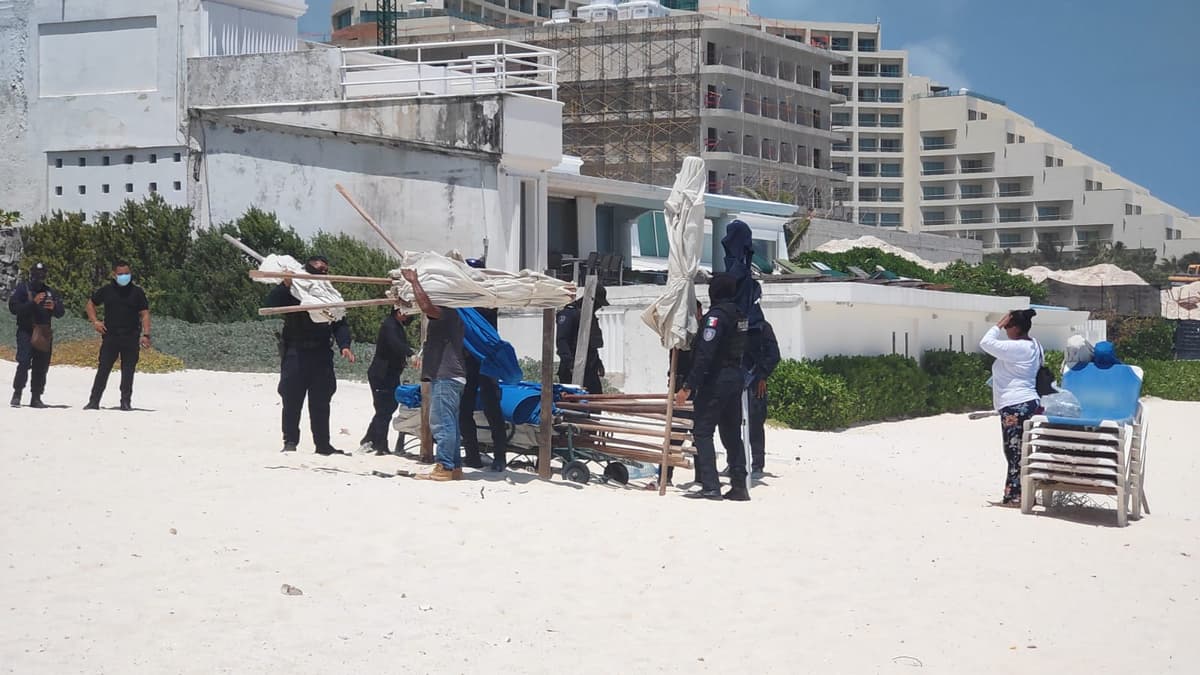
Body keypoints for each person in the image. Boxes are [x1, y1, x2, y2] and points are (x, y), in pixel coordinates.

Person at [266, 255, 355, 455]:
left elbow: (339, 322)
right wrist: (286, 285)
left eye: (325, 269)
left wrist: (345, 345)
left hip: (321, 352)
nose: (322, 271)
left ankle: (323, 445)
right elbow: (272, 303)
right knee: (291, 398)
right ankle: (290, 442)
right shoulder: (296, 288)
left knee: (321, 400)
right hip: (296, 352)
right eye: (318, 267)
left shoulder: (327, 292)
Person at [675, 274, 750, 502]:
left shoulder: (715, 318)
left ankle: (710, 486)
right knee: (732, 433)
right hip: (736, 377)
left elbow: (704, 356)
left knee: (702, 431)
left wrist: (688, 386)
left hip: (716, 380)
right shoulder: (740, 314)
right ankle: (739, 486)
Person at [403, 268, 467, 482]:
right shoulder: (453, 316)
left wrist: (414, 281)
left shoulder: (447, 313)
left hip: (447, 376)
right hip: (452, 376)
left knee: (441, 422)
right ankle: (454, 467)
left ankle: (445, 466)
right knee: (450, 422)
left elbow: (426, 306)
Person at [979, 309, 1043, 506]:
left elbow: (985, 343)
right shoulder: (1034, 345)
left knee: (1014, 452)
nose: (1005, 330)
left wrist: (998, 324)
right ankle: (1023, 493)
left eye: (1008, 326)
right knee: (1021, 450)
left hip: (1016, 405)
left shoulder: (1018, 347)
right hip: (1027, 402)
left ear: (1016, 328)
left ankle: (1016, 496)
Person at [460, 258, 509, 472]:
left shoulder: (488, 297)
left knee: (492, 409)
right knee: (464, 409)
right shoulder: (463, 299)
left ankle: (500, 457)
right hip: (469, 361)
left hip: (486, 359)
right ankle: (472, 455)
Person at [85, 261, 151, 411]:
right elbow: (90, 304)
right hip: (111, 336)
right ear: (114, 275)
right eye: (121, 274)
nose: (124, 276)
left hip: (131, 336)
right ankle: (94, 401)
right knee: (103, 369)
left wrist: (146, 334)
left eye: (127, 273)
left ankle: (125, 402)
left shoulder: (137, 292)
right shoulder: (107, 290)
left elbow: (145, 313)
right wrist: (95, 322)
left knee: (128, 371)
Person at [9, 262, 65, 408]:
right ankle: (17, 394)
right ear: (31, 274)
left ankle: (36, 397)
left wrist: (54, 307)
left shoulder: (50, 292)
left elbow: (61, 312)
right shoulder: (23, 289)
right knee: (24, 362)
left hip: (43, 332)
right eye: (36, 274)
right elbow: (13, 308)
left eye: (42, 274)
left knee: (41, 366)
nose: (39, 277)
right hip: (26, 331)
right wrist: (32, 303)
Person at [359, 308, 413, 455]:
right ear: (399, 312)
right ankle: (380, 444)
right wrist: (410, 354)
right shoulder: (389, 325)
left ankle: (370, 439)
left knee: (388, 407)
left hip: (390, 373)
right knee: (384, 408)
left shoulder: (396, 325)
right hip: (382, 373)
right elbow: (395, 343)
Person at [744, 320, 781, 480]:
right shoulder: (734, 323)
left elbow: (774, 355)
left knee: (755, 422)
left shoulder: (762, 327)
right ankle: (736, 461)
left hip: (755, 381)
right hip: (736, 380)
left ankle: (757, 463)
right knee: (732, 423)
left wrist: (762, 376)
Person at [556, 285, 607, 394]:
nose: (598, 307)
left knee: (595, 400)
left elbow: (591, 344)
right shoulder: (570, 313)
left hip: (590, 369)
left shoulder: (589, 316)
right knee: (574, 402)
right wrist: (571, 364)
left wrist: (598, 362)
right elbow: (562, 341)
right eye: (598, 304)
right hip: (572, 370)